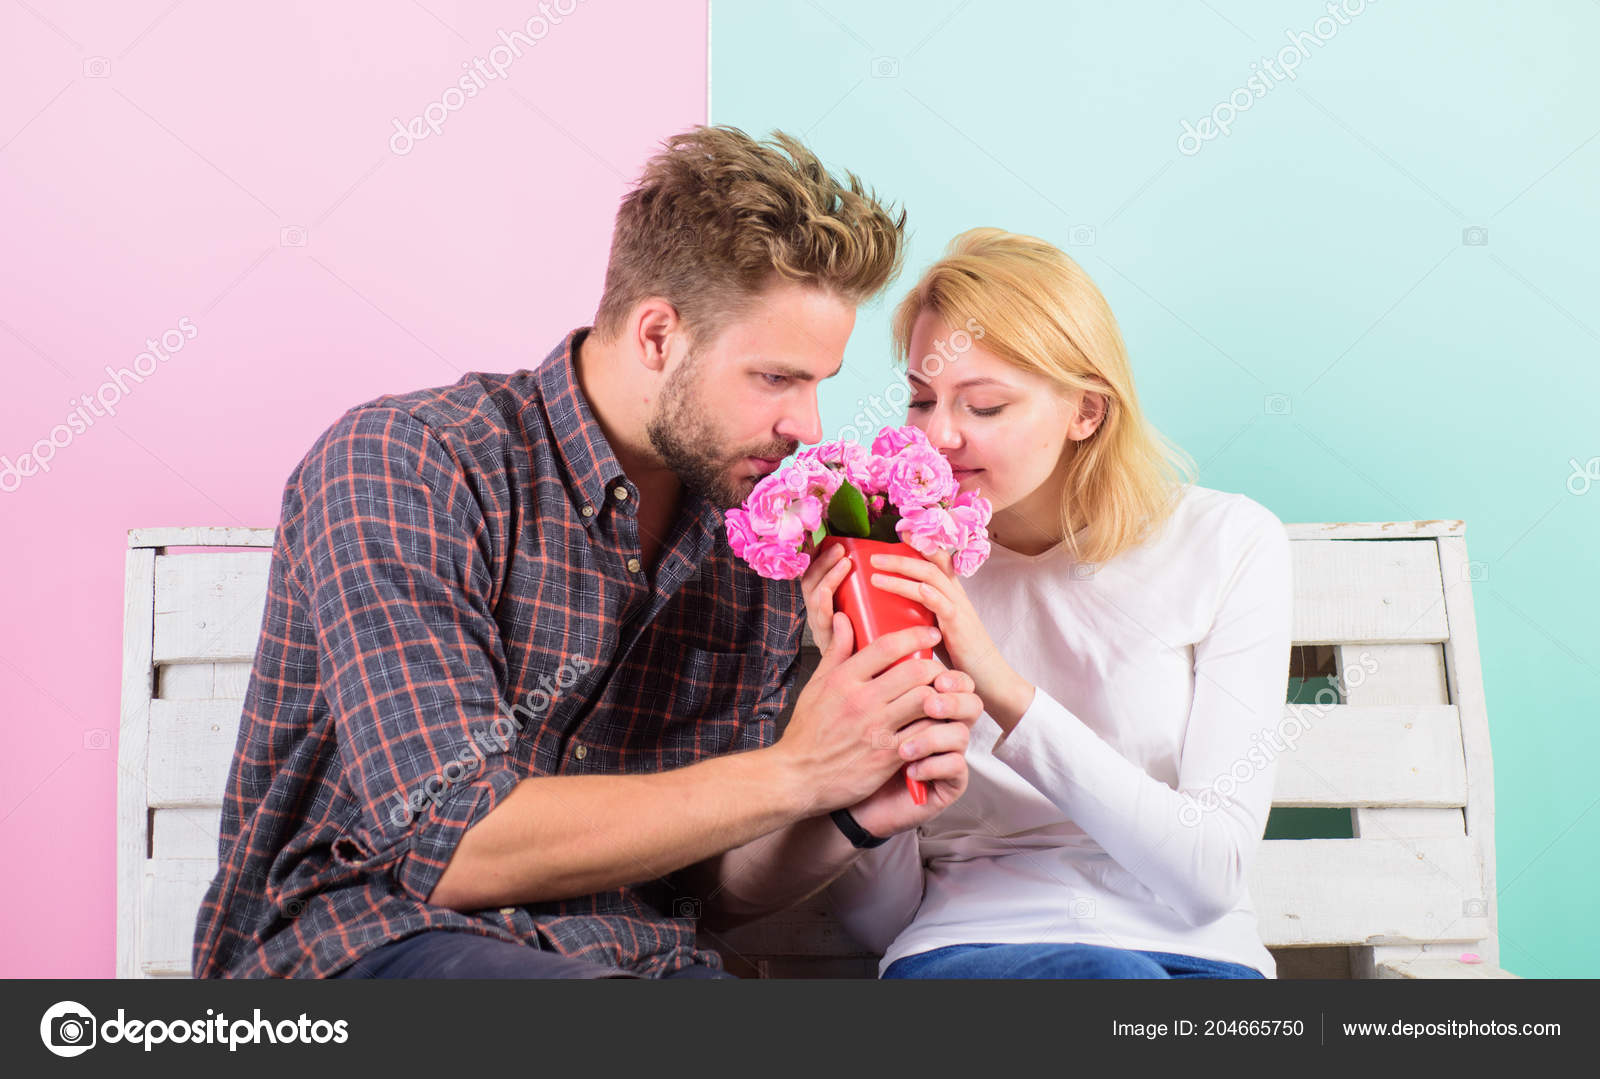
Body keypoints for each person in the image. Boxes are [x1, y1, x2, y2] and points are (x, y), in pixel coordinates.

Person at [192, 126, 988, 979]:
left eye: (817, 382)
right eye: (776, 378)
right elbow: (452, 842)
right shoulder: (411, 462)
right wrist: (798, 768)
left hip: (631, 967)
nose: (808, 427)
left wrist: (849, 804)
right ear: (656, 336)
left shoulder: (748, 534)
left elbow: (704, 890)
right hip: (371, 946)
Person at [812, 228, 1294, 979]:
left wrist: (999, 686)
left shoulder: (1228, 543)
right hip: (969, 949)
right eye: (921, 398)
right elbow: (880, 920)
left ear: (1087, 412)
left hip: (1199, 954)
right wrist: (856, 695)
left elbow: (1209, 877)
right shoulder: (892, 566)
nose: (938, 435)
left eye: (985, 405)